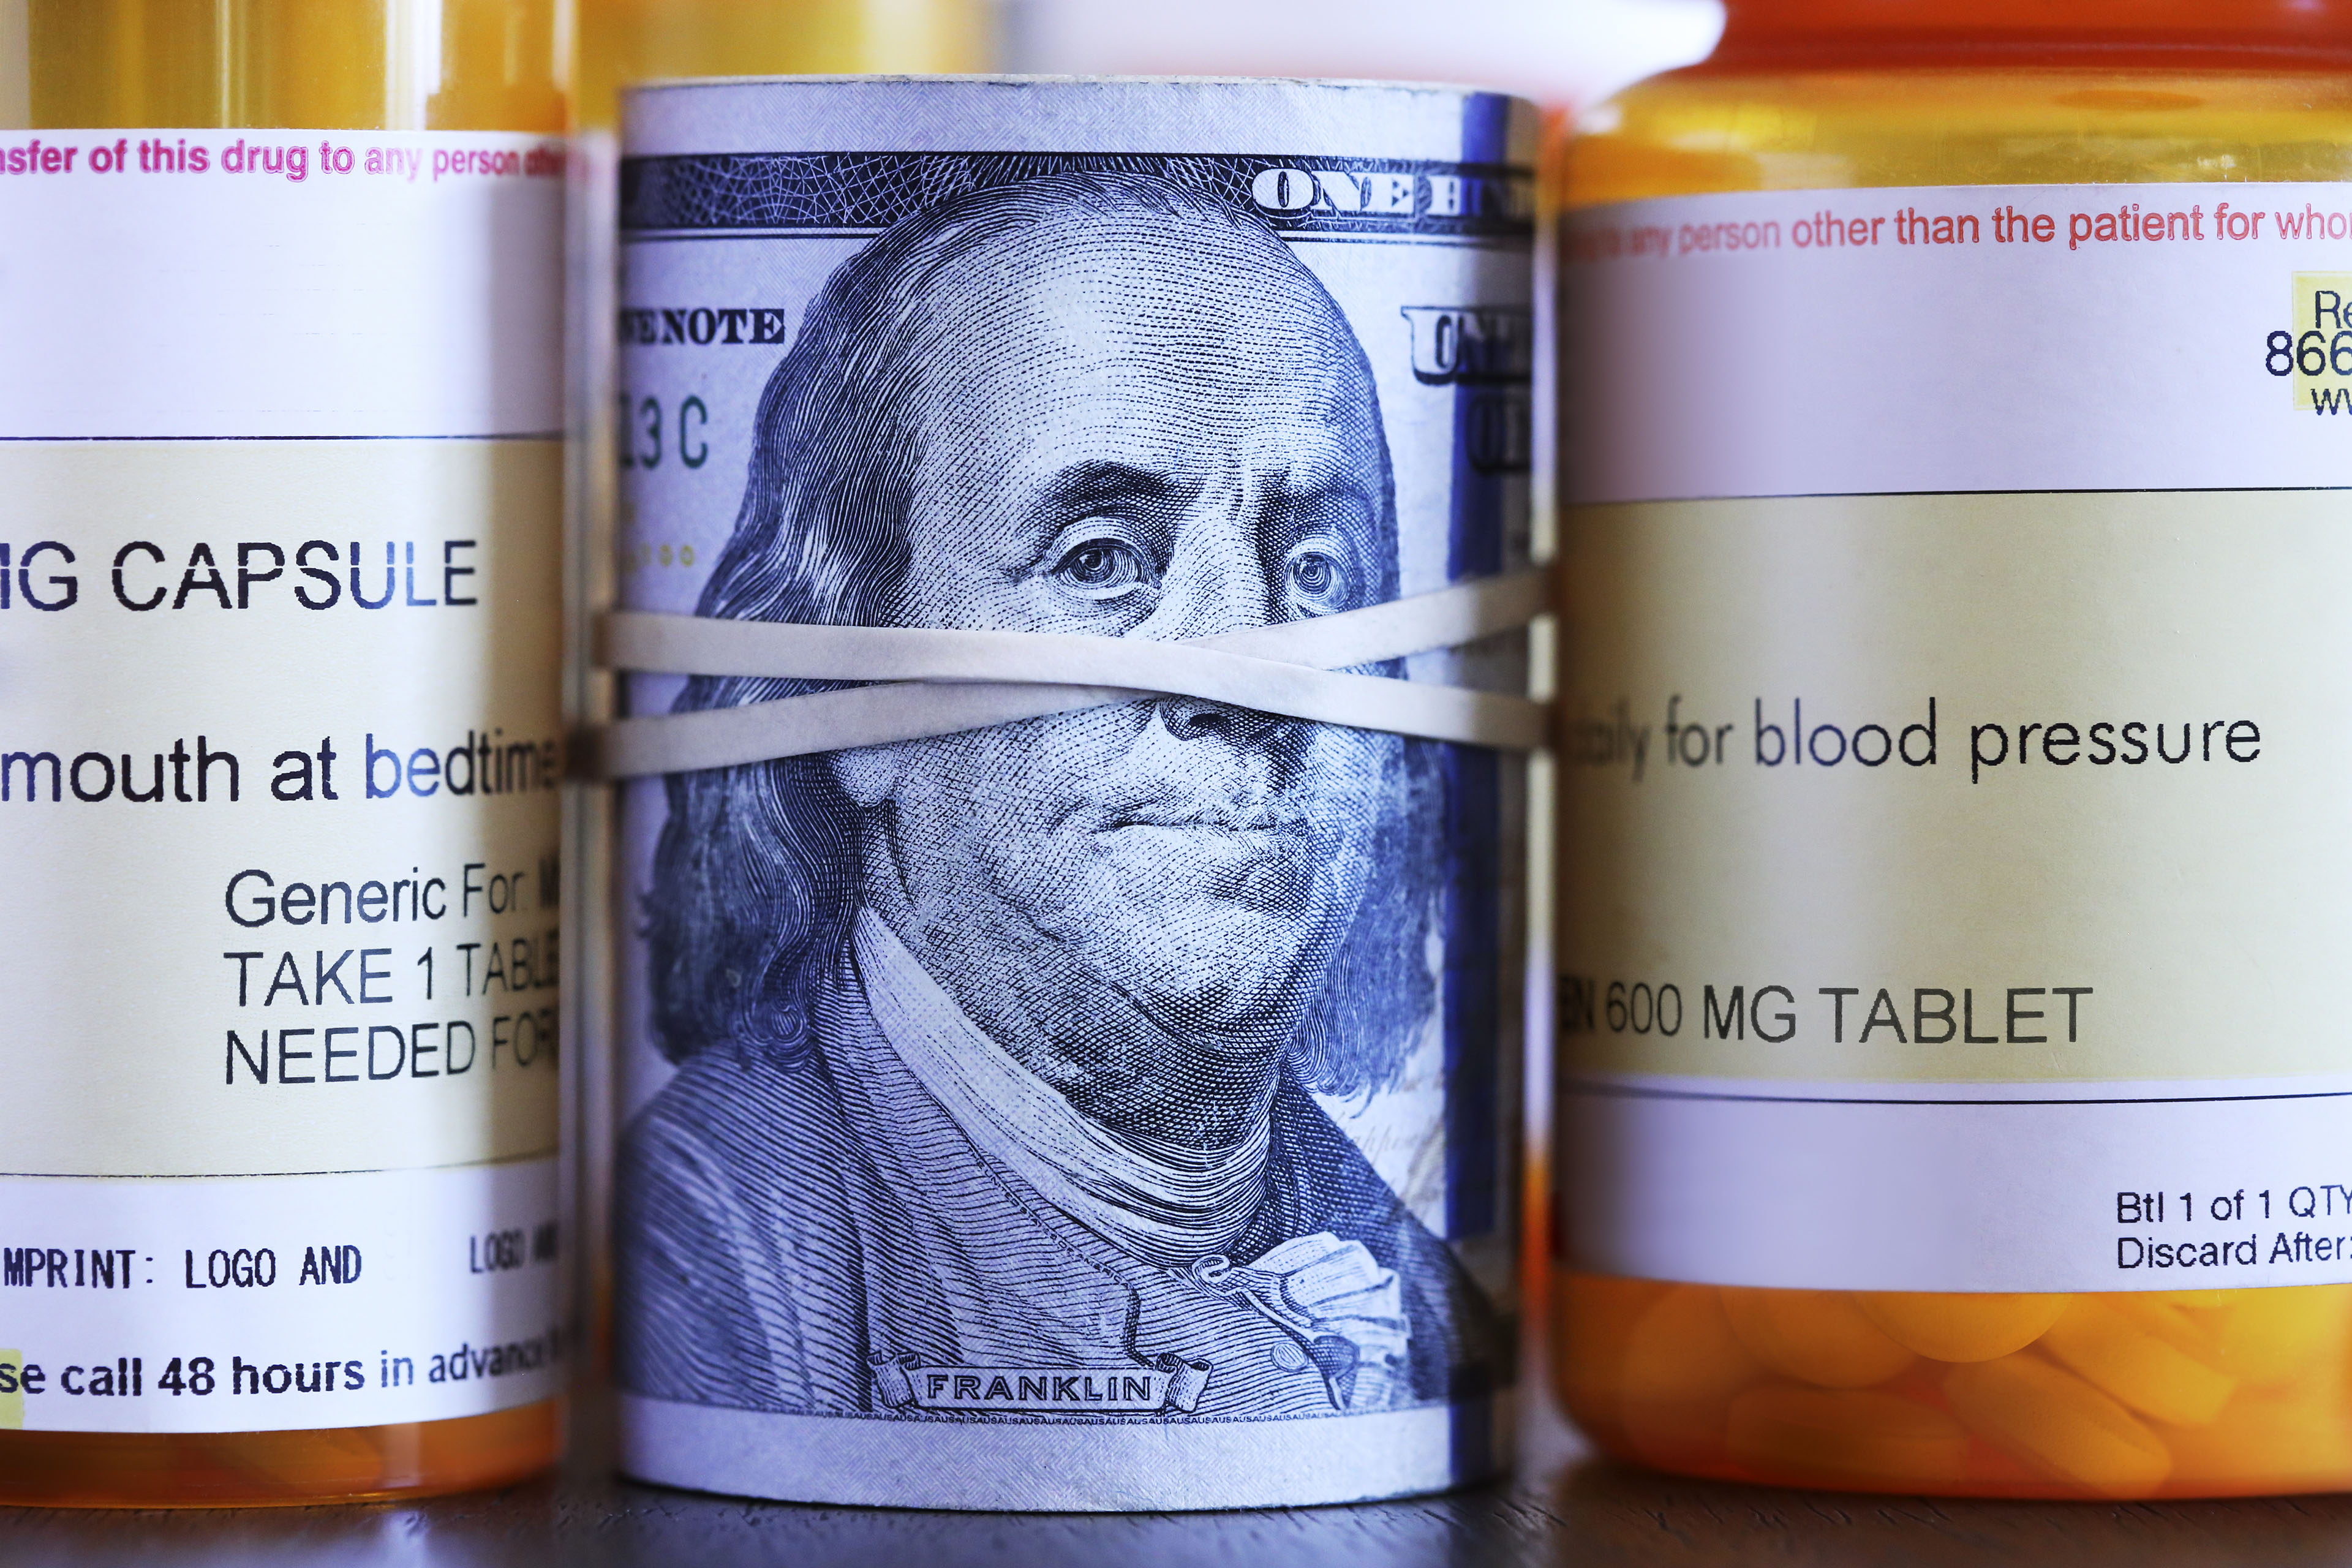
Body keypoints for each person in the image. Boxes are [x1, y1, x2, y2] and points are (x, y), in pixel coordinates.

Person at [619, 170, 1500, 1422]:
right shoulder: (712, 1253)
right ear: (848, 698)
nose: (1252, 681)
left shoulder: (1429, 1295)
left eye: (1317, 570)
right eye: (1100, 560)